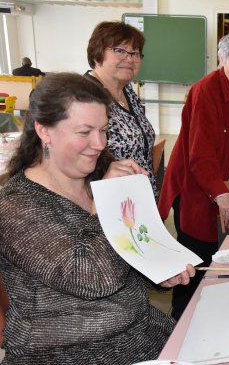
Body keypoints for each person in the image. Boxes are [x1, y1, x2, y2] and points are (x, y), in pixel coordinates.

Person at [0, 73, 195, 364]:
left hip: (140, 333)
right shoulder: (15, 206)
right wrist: (107, 204)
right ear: (44, 131)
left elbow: (127, 253)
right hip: (71, 353)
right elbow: (92, 279)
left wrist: (157, 271)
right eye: (84, 132)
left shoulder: (99, 175)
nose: (99, 143)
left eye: (104, 130)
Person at [158, 27, 229, 320]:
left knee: (228, 252)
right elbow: (200, 154)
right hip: (198, 187)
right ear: (222, 59)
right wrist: (220, 195)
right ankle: (179, 318)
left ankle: (219, 314)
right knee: (197, 255)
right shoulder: (205, 90)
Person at [84, 21, 159, 197]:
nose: (130, 58)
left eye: (135, 53)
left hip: (139, 199)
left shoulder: (128, 92)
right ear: (97, 53)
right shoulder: (85, 94)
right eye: (119, 50)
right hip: (107, 201)